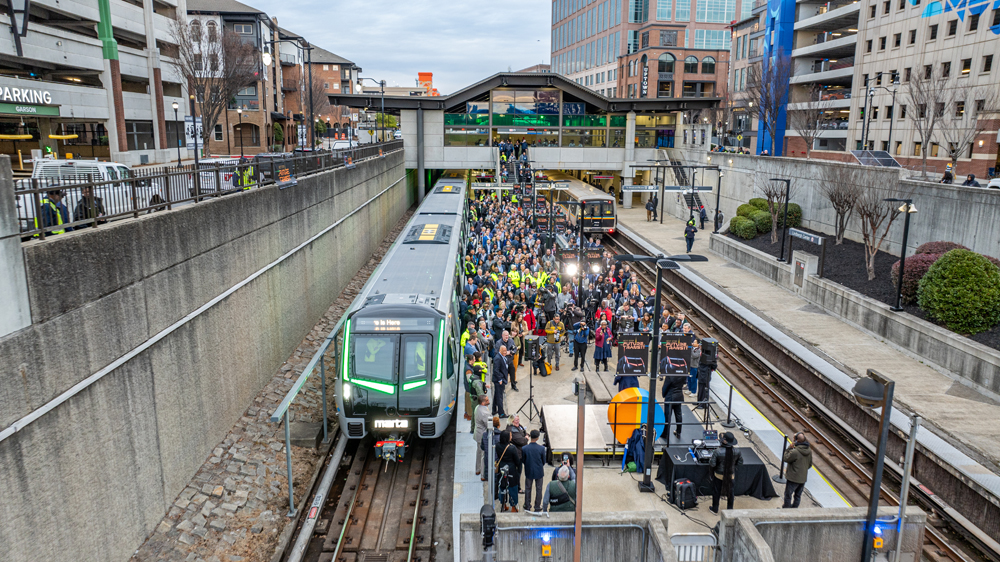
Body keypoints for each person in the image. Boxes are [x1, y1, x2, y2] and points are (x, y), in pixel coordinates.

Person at [709, 432, 744, 513]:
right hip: (731, 475)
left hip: (719, 475)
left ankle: (715, 509)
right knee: (731, 492)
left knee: (716, 491)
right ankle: (730, 509)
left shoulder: (717, 451)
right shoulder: (737, 451)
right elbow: (740, 463)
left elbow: (712, 464)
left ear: (724, 441)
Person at [782, 433, 812, 508]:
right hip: (803, 478)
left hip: (793, 478)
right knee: (798, 496)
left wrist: (789, 448)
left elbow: (785, 458)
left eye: (794, 438)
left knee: (788, 495)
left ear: (797, 440)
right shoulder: (809, 451)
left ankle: (786, 510)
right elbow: (810, 464)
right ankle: (794, 510)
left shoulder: (795, 452)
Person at [495, 429, 522, 512]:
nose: (511, 437)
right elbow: (517, 461)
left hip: (501, 467)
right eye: (510, 436)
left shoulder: (498, 445)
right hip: (511, 469)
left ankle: (503, 504)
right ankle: (513, 506)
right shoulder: (512, 448)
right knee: (513, 487)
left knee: (502, 486)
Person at [522, 430, 546, 512]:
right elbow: (544, 461)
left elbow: (523, 460)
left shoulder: (524, 448)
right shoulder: (541, 449)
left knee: (528, 488)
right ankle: (537, 506)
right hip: (538, 471)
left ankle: (527, 505)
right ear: (537, 438)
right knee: (539, 489)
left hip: (529, 470)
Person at [662, 371, 686, 441]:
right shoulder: (683, 373)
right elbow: (684, 382)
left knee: (667, 416)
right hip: (679, 396)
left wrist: (664, 395)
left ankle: (665, 433)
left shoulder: (670, 375)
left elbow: (665, 386)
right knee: (678, 414)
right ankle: (678, 432)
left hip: (670, 397)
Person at [473, 396, 492, 478]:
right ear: (483, 403)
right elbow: (489, 425)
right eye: (487, 400)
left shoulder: (478, 407)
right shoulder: (484, 413)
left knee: (479, 452)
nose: (489, 401)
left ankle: (477, 469)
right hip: (482, 435)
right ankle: (483, 475)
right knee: (484, 455)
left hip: (477, 433)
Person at [492, 345, 510, 417]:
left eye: (506, 351)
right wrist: (500, 379)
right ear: (500, 350)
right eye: (503, 351)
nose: (505, 352)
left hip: (501, 379)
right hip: (499, 380)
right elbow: (496, 370)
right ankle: (501, 413)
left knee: (497, 395)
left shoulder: (502, 357)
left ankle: (494, 410)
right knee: (500, 397)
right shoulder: (497, 358)